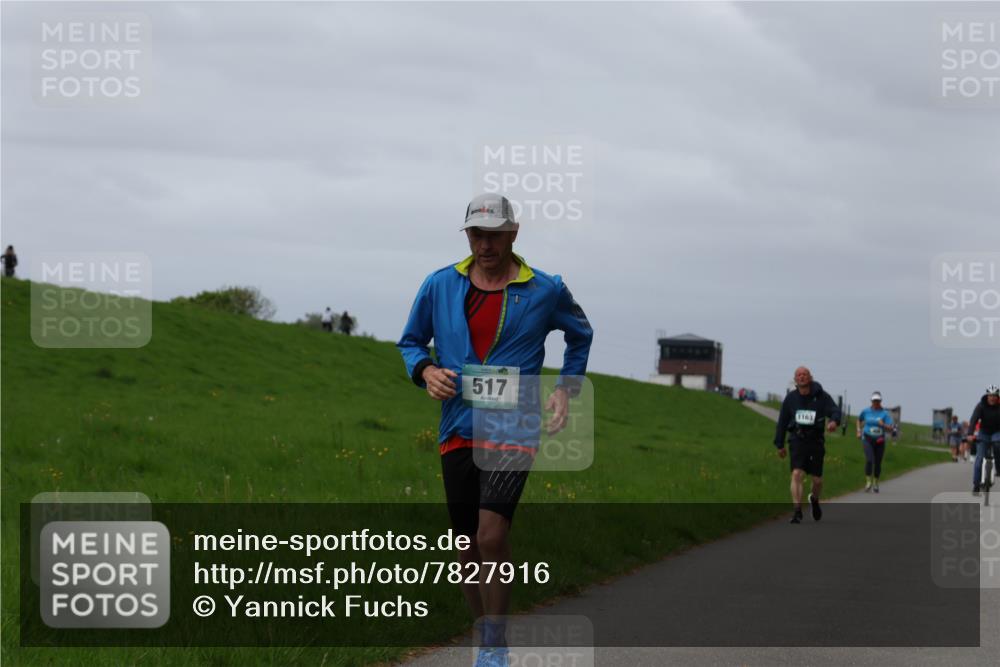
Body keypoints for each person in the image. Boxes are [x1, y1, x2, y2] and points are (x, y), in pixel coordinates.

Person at [398, 193, 593, 667]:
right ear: (468, 235)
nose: (485, 245)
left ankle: (492, 646)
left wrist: (565, 388)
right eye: (476, 234)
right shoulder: (440, 284)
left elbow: (580, 333)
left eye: (494, 235)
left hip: (514, 426)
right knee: (465, 545)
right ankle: (483, 631)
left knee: (490, 536)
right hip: (458, 425)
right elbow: (410, 342)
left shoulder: (545, 289)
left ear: (513, 233)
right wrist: (426, 370)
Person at [774, 366, 841, 523]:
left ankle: (814, 499)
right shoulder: (790, 399)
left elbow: (835, 410)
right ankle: (797, 511)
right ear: (795, 379)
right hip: (797, 440)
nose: (802, 377)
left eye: (804, 374)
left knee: (817, 480)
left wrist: (833, 421)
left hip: (816, 440)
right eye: (798, 375)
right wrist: (779, 444)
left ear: (810, 377)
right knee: (796, 474)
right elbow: (782, 422)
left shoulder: (821, 396)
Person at [856, 392, 895, 492]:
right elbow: (859, 420)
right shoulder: (866, 411)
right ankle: (868, 482)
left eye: (878, 401)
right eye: (874, 401)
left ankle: (876, 482)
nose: (876, 403)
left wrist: (883, 425)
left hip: (879, 440)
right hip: (867, 438)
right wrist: (859, 431)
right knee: (869, 460)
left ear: (880, 401)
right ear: (871, 401)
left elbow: (891, 428)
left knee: (878, 462)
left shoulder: (885, 413)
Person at [967, 385, 1000, 495]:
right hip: (984, 433)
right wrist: (970, 434)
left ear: (997, 397)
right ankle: (976, 485)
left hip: (997, 432)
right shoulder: (981, 406)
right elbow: (973, 419)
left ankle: (998, 469)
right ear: (987, 396)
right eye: (990, 395)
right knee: (979, 459)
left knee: (997, 444)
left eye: (994, 396)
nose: (992, 398)